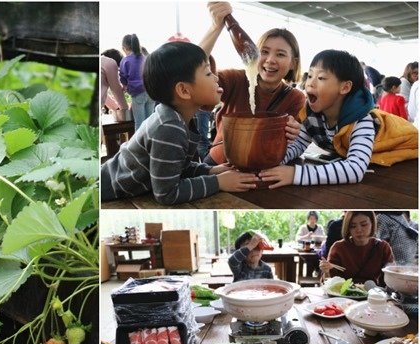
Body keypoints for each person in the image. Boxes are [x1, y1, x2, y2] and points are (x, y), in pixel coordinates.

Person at [100, 42, 257, 204]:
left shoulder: (180, 118)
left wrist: (210, 170)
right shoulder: (168, 128)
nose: (216, 78)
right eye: (208, 73)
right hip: (105, 190)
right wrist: (218, 182)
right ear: (184, 90)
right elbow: (167, 193)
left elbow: (176, 168)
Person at [260, 50, 419, 188]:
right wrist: (271, 162)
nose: (310, 83)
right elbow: (298, 144)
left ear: (345, 87)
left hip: (406, 144)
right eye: (310, 75)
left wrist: (295, 174)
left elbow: (355, 170)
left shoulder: (362, 120)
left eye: (321, 78)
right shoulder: (311, 114)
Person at [199, 2, 304, 166]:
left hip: (262, 166)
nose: (270, 60)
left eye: (281, 54)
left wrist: (295, 132)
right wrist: (215, 27)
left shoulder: (296, 98)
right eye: (264, 51)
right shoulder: (235, 79)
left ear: (293, 63)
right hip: (219, 163)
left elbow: (293, 142)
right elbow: (196, 77)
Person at [321, 211, 394, 285]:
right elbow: (329, 283)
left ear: (372, 223)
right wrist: (326, 272)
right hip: (343, 294)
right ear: (348, 228)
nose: (359, 230)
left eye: (364, 224)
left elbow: (390, 279)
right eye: (353, 226)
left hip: (373, 294)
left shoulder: (382, 247)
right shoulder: (338, 248)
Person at [119, 34, 155, 131]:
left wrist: (125, 86)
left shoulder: (125, 61)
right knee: (149, 122)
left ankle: (139, 145)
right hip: (150, 92)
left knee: (139, 123)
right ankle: (149, 143)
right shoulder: (145, 57)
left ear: (124, 48)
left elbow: (123, 77)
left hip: (137, 93)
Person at [100, 49, 129, 118]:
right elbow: (117, 92)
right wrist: (126, 112)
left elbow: (105, 97)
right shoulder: (110, 63)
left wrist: (117, 108)